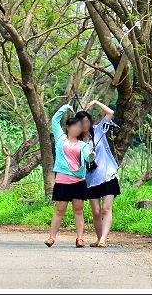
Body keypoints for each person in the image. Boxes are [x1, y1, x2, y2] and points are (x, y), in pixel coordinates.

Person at [45, 103, 95, 248]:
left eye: (79, 127)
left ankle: (80, 238)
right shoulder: (60, 139)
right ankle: (51, 237)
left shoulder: (83, 145)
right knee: (59, 209)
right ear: (68, 127)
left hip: (78, 180)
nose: (77, 129)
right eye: (75, 126)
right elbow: (55, 120)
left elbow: (88, 157)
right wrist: (65, 107)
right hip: (62, 179)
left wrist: (91, 155)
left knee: (78, 210)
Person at [77, 100, 121, 247]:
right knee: (96, 212)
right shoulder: (78, 143)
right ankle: (99, 239)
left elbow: (110, 113)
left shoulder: (99, 130)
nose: (84, 125)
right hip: (91, 179)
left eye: (86, 121)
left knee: (105, 209)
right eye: (81, 123)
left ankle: (103, 240)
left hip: (108, 175)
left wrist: (95, 102)